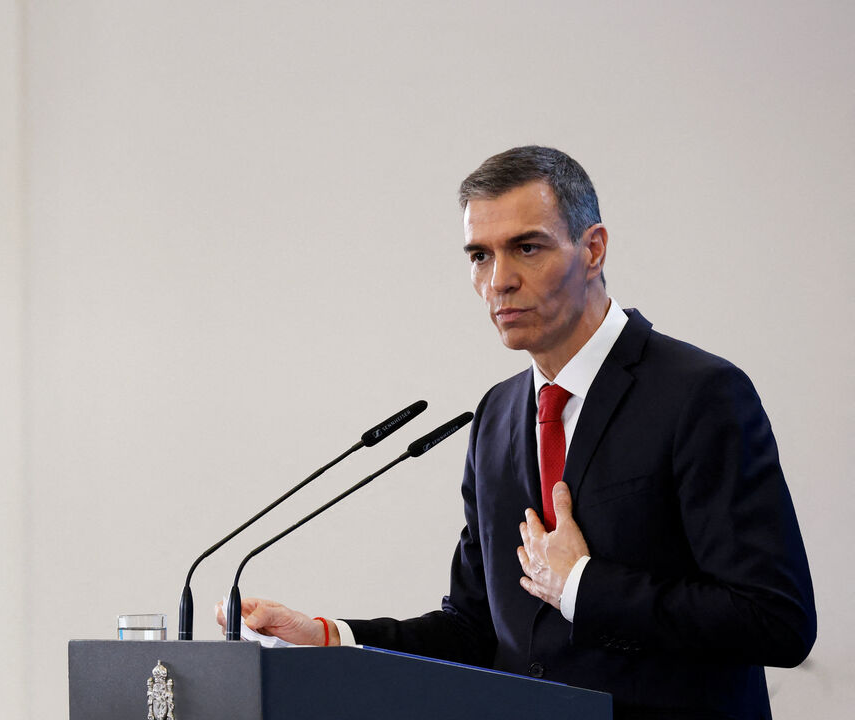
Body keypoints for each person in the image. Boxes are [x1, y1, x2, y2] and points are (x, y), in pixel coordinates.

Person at [216, 146, 816, 719]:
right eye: (480, 255)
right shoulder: (496, 417)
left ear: (594, 249)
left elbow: (776, 620)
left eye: (527, 248)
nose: (499, 280)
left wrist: (584, 586)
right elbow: (475, 628)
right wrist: (329, 639)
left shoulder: (698, 393)